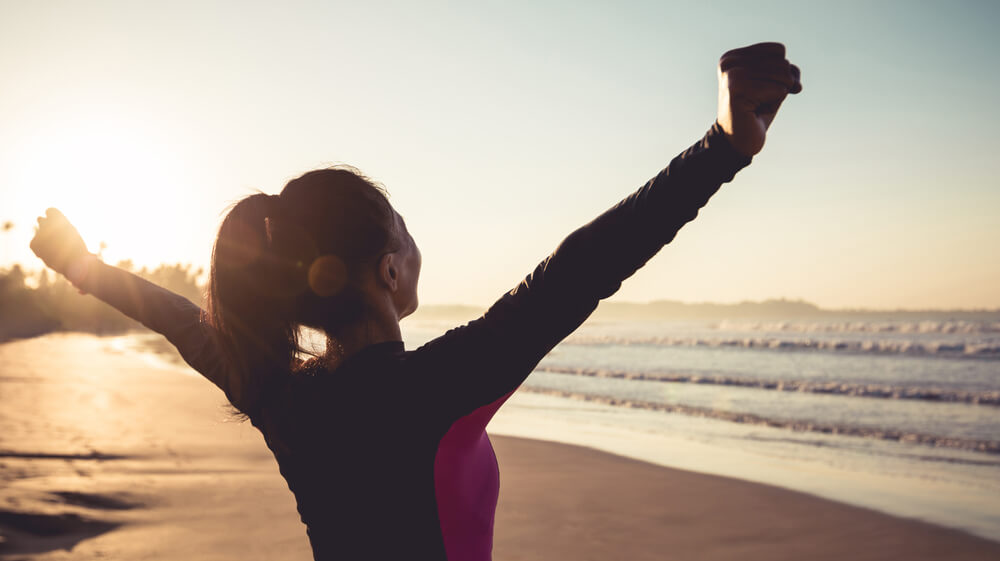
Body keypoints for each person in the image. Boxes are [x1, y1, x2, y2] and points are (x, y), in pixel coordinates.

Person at [30, 43, 801, 561]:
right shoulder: (436, 386)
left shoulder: (275, 392)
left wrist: (83, 267)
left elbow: (176, 320)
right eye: (406, 228)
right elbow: (586, 265)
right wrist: (723, 147)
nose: (417, 241)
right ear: (388, 271)